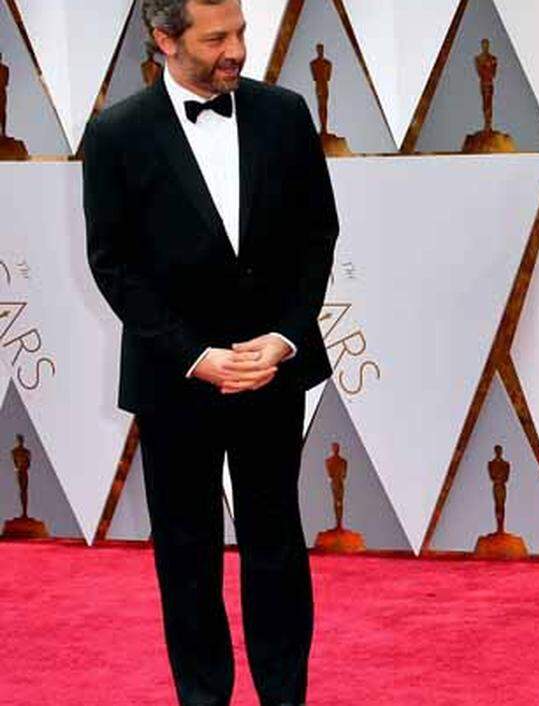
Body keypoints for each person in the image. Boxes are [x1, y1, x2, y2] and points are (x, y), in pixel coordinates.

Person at [82, 1, 338, 703]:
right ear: (165, 39)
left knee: (276, 546)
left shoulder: (284, 114)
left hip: (269, 373)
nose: (236, 49)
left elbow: (318, 237)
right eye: (217, 37)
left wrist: (284, 338)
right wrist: (195, 354)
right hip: (177, 379)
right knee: (187, 555)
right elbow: (113, 264)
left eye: (241, 33)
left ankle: (285, 697)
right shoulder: (115, 134)